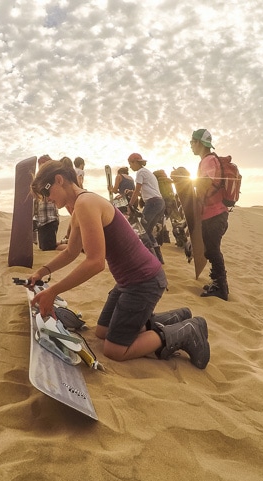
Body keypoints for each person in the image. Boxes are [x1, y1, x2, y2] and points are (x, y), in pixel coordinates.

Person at [26, 159, 210, 367]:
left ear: (59, 180)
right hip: (129, 281)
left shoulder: (85, 204)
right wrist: (42, 272)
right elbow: (71, 251)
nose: (46, 199)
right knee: (103, 332)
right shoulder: (80, 206)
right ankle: (175, 317)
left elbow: (95, 263)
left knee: (115, 350)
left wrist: (52, 292)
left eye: (46, 192)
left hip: (143, 281)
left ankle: (188, 330)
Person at [190, 129, 229, 300]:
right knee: (210, 250)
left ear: (199, 143)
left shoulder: (208, 161)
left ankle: (221, 288)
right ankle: (217, 282)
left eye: (192, 142)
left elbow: (205, 186)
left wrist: (193, 198)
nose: (191, 146)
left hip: (214, 214)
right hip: (213, 214)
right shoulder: (209, 160)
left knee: (213, 251)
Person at [127, 153, 165, 264]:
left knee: (141, 231)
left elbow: (138, 190)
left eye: (130, 163)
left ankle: (152, 259)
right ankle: (159, 259)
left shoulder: (140, 172)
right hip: (159, 203)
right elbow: (145, 192)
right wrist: (131, 192)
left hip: (152, 203)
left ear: (135, 162)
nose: (130, 166)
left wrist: (130, 205)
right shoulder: (148, 172)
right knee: (147, 231)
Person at [34, 154, 60, 251]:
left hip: (49, 219)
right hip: (42, 221)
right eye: (40, 165)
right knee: (45, 247)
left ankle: (76, 250)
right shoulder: (39, 180)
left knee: (49, 248)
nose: (40, 167)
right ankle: (70, 246)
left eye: (43, 164)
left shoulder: (49, 180)